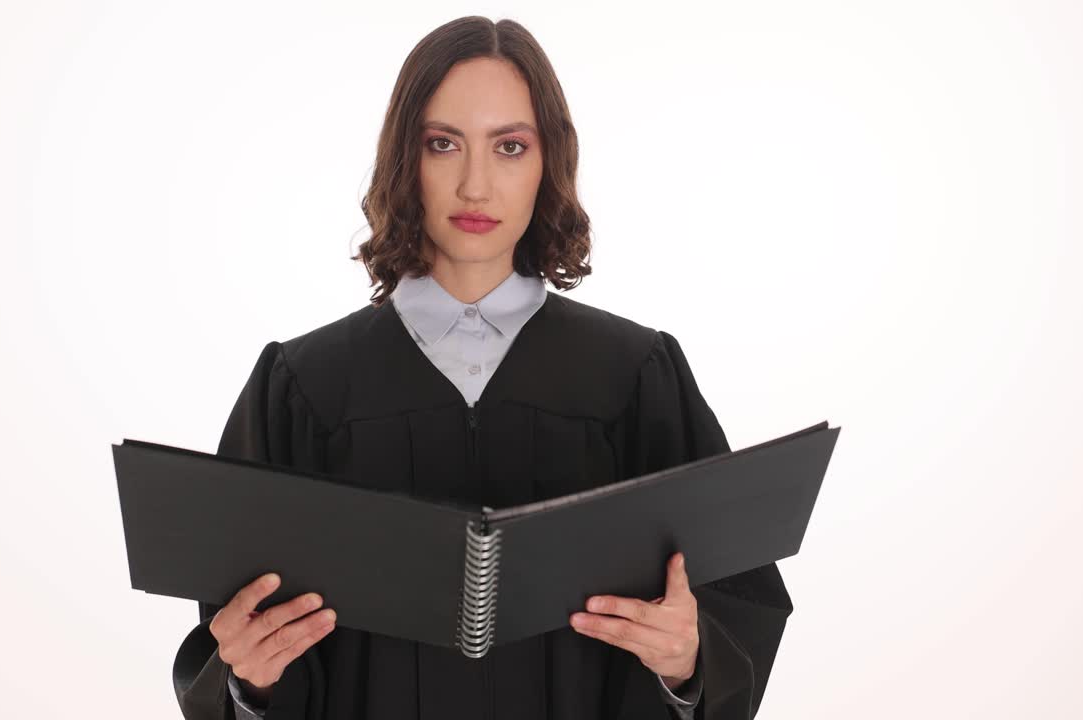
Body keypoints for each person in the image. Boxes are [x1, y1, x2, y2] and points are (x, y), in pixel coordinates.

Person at [170, 15, 793, 720]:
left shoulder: (635, 376)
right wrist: (248, 683)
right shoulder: (304, 387)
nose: (475, 185)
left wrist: (688, 661)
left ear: (546, 162)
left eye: (509, 147)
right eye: (443, 145)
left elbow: (733, 605)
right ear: (406, 160)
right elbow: (230, 636)